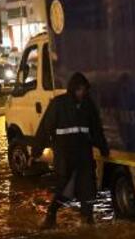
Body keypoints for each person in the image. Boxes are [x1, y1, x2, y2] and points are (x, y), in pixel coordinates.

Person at [32, 72, 109, 228]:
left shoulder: (88, 105)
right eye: (79, 90)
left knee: (88, 188)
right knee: (64, 188)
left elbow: (96, 129)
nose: (82, 93)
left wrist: (102, 147)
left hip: (84, 156)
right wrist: (37, 150)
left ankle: (87, 221)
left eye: (84, 90)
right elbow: (45, 128)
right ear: (73, 89)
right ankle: (52, 214)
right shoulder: (58, 104)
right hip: (65, 156)